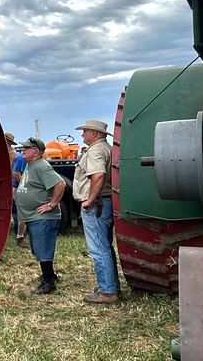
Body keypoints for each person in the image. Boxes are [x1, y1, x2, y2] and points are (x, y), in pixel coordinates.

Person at [74, 120, 120, 304]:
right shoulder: (106, 148)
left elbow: (98, 174)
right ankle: (110, 285)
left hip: (97, 204)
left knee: (98, 248)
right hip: (105, 201)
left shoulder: (95, 151)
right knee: (105, 246)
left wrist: (89, 200)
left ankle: (108, 291)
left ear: (94, 133)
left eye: (85, 131)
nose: (82, 134)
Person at [15, 137, 66, 294]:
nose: (22, 150)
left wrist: (51, 205)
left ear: (35, 152)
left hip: (43, 218)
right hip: (34, 216)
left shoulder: (41, 166)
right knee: (39, 248)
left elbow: (60, 184)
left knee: (43, 248)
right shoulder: (32, 165)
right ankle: (49, 275)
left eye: (26, 148)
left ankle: (48, 283)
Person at [12, 145, 28, 247]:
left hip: (19, 187)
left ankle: (20, 236)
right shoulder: (21, 158)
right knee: (22, 214)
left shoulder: (21, 157)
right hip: (19, 188)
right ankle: (19, 237)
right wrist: (27, 185)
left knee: (22, 214)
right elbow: (16, 173)